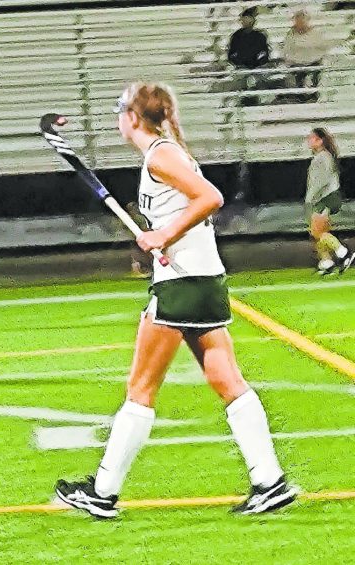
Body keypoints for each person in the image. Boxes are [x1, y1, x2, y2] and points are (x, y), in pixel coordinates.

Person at [55, 83, 297, 518]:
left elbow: (210, 197)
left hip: (181, 284)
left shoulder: (161, 156)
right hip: (203, 279)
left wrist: (163, 235)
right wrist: (163, 234)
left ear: (132, 117)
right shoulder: (165, 153)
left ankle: (103, 492)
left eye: (120, 111)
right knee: (229, 382)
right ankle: (270, 480)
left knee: (140, 388)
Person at [305, 128, 354, 275]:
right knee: (318, 232)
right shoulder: (322, 157)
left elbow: (322, 181)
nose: (309, 140)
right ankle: (327, 262)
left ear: (320, 141)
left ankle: (343, 252)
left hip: (326, 198)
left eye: (312, 138)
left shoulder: (323, 157)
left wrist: (310, 198)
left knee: (318, 232)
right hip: (324, 197)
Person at [281, 10, 335, 103]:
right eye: (297, 20)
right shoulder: (290, 35)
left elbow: (323, 48)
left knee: (314, 75)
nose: (299, 23)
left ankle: (313, 95)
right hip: (296, 64)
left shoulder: (315, 34)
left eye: (301, 20)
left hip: (313, 63)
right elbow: (286, 51)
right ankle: (300, 97)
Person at [227, 7, 271, 105]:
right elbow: (231, 55)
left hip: (257, 68)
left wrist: (256, 64)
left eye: (248, 18)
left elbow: (264, 54)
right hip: (241, 68)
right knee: (240, 80)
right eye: (244, 19)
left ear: (253, 20)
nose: (246, 21)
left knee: (259, 79)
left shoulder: (260, 36)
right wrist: (241, 63)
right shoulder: (236, 37)